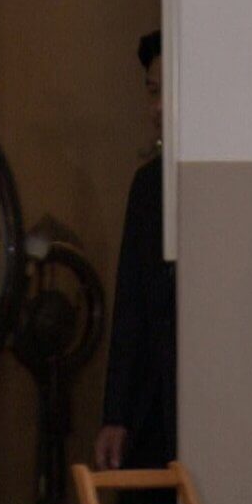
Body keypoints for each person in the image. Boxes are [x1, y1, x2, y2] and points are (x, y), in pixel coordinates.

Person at [94, 29, 174, 473]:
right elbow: (130, 308)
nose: (158, 107)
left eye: (170, 93)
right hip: (150, 409)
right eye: (153, 92)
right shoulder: (148, 187)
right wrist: (116, 414)